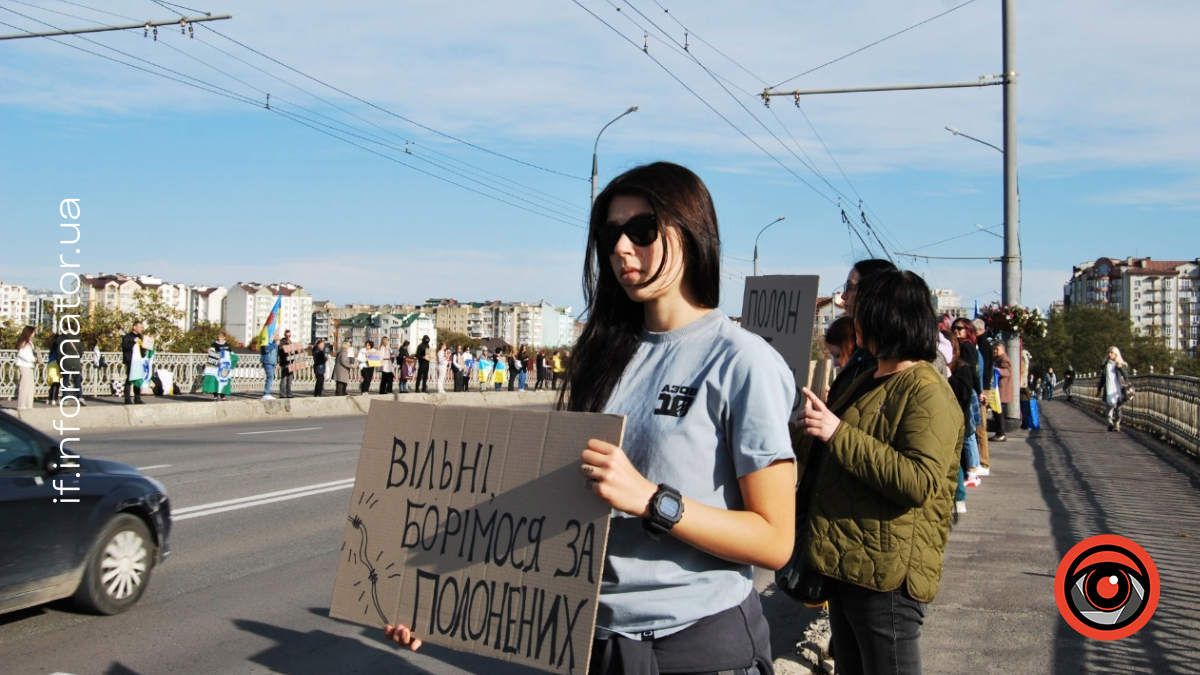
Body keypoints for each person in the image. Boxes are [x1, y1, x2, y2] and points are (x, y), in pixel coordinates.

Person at [386, 162, 797, 672]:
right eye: (610, 234)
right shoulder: (599, 355)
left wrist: (651, 501)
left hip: (697, 646)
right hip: (592, 641)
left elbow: (775, 540)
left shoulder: (742, 360)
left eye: (643, 230)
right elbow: (555, 511)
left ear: (690, 233)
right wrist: (440, 595)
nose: (622, 248)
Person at [795, 269, 961, 675]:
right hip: (847, 563)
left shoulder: (925, 388)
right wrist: (806, 427)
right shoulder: (871, 376)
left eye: (863, 311)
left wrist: (837, 432)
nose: (855, 320)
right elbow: (833, 452)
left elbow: (918, 481)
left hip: (887, 576)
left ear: (889, 317)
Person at [826, 259, 898, 407]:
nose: (844, 296)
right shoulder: (863, 351)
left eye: (850, 287)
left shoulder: (897, 360)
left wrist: (835, 427)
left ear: (874, 292)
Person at [1098, 346, 1131, 432]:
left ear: (1116, 354)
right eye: (1108, 353)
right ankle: (1110, 423)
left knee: (1118, 408)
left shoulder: (1121, 364)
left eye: (1111, 353)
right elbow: (1102, 378)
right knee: (1109, 407)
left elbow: (1126, 376)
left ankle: (1117, 423)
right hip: (1109, 388)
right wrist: (1099, 388)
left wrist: (1120, 368)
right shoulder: (1106, 365)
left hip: (1118, 389)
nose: (1109, 354)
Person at [14, 325, 43, 411]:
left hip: (29, 365)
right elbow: (22, 354)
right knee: (24, 385)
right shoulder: (24, 342)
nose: (34, 333)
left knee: (30, 386)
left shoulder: (29, 342)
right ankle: (22, 405)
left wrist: (36, 359)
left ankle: (28, 404)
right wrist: (34, 359)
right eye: (33, 332)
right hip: (24, 365)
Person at [203, 332, 236, 401]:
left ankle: (223, 396)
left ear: (224, 337)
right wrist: (211, 352)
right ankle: (215, 396)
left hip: (225, 366)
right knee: (216, 379)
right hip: (217, 365)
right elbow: (211, 352)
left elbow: (232, 354)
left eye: (221, 337)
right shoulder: (214, 344)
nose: (219, 338)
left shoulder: (227, 345)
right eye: (218, 337)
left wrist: (232, 358)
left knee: (224, 380)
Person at [991, 341, 1013, 441]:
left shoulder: (1004, 359)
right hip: (998, 390)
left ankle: (1001, 433)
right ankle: (998, 432)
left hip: (1002, 390)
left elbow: (1007, 371)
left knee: (999, 412)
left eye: (997, 349)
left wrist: (997, 370)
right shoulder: (997, 359)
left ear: (1003, 350)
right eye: (994, 349)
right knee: (996, 412)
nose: (995, 351)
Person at [121, 320, 146, 405]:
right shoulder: (128, 337)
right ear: (134, 327)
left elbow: (142, 348)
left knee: (137, 378)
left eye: (142, 327)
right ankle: (127, 399)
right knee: (130, 379)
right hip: (130, 360)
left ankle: (137, 398)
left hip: (138, 360)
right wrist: (133, 342)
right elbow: (124, 348)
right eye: (140, 327)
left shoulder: (140, 337)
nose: (141, 329)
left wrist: (145, 349)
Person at [260, 335, 279, 400]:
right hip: (267, 362)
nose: (277, 337)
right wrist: (274, 344)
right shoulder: (265, 341)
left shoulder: (274, 343)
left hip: (272, 362)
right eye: (276, 335)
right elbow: (266, 350)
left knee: (271, 377)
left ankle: (267, 393)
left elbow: (276, 353)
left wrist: (276, 363)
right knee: (270, 377)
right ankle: (266, 394)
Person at [278, 330, 294, 399]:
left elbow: (294, 352)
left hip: (290, 362)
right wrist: (287, 350)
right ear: (284, 335)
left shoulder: (290, 342)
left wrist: (293, 352)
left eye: (289, 336)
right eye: (287, 336)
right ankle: (282, 394)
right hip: (284, 362)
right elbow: (281, 352)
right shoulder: (282, 342)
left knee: (290, 379)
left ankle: (289, 393)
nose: (288, 337)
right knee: (284, 379)